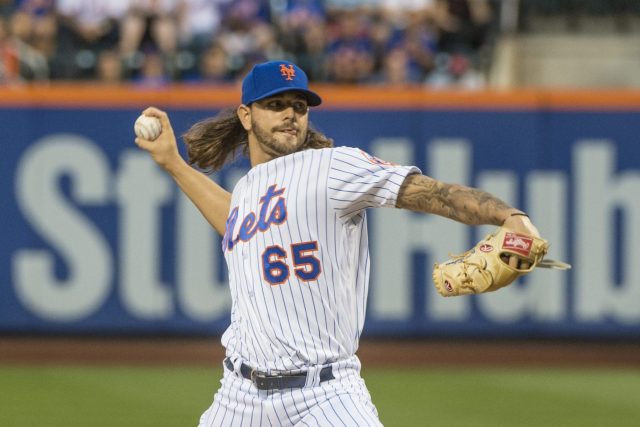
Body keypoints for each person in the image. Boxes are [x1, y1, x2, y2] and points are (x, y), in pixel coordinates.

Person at [134, 60, 540, 426]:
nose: (291, 113)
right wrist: (172, 163)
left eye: (300, 105)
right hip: (239, 396)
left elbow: (432, 192)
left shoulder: (333, 167)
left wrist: (509, 217)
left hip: (325, 395)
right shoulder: (247, 191)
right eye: (276, 104)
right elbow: (234, 222)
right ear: (246, 115)